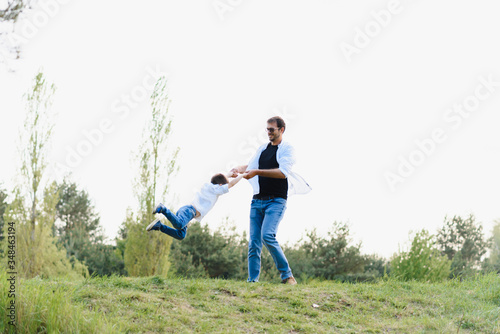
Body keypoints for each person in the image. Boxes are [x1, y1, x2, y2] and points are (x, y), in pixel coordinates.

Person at [231, 116, 311, 285]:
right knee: (254, 242)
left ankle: (288, 276)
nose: (268, 132)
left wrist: (258, 172)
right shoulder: (263, 149)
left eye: (272, 129)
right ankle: (252, 281)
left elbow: (283, 172)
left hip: (276, 201)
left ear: (282, 130)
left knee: (267, 235)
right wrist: (239, 168)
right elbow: (251, 166)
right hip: (257, 201)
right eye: (267, 129)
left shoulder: (287, 149)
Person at [146, 172, 244, 240]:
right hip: (189, 211)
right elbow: (231, 184)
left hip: (187, 212)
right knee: (179, 225)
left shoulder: (209, 186)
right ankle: (163, 209)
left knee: (181, 235)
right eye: (222, 187)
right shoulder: (216, 189)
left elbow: (221, 179)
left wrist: (230, 174)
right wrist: (243, 175)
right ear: (220, 185)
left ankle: (159, 226)